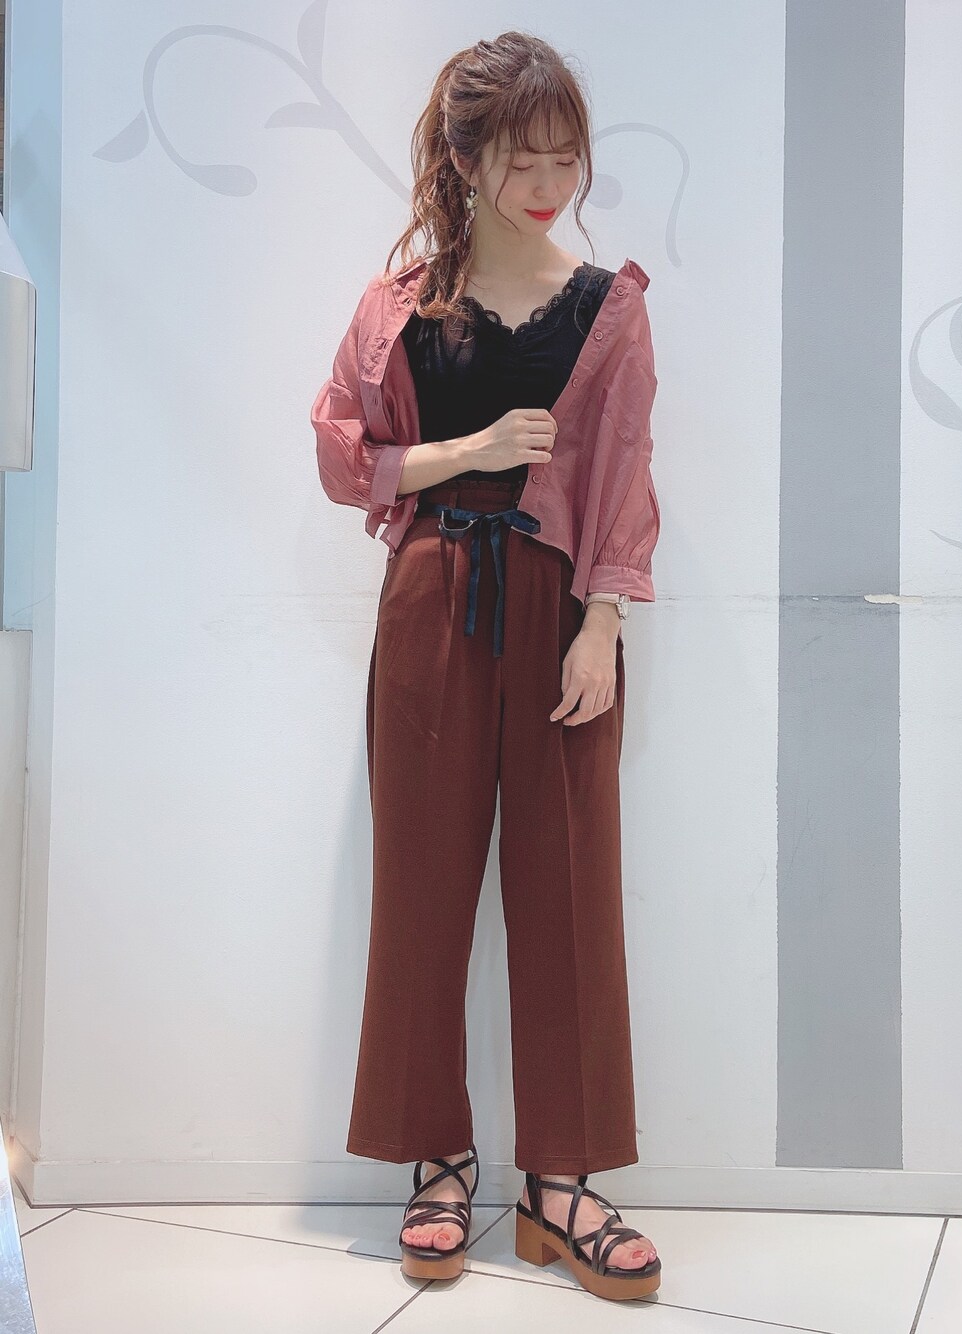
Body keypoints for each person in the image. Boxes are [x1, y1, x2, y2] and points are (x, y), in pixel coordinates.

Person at [310, 30, 662, 1303]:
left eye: (566, 158)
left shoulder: (607, 309)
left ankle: (560, 1177)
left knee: (570, 884)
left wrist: (603, 624)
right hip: (431, 598)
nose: (549, 183)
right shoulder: (397, 307)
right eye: (523, 158)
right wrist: (466, 452)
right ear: (464, 159)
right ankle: (438, 1155)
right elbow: (344, 454)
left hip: (559, 607)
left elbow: (624, 473)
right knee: (421, 883)